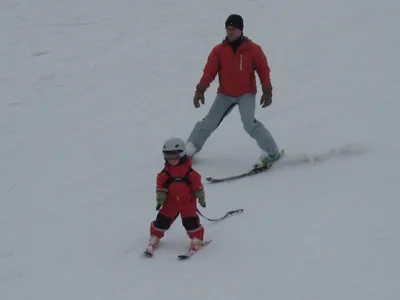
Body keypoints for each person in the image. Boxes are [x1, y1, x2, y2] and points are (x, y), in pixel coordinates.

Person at [185, 14, 281, 169]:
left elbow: (263, 70)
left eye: (233, 29)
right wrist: (200, 90)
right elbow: (209, 71)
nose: (230, 32)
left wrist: (267, 90)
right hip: (225, 94)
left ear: (241, 30)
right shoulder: (219, 51)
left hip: (246, 94)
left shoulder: (253, 49)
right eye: (228, 29)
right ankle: (190, 148)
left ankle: (272, 152)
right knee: (209, 122)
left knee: (249, 124)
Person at [146, 137, 206, 255]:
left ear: (182, 155)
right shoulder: (166, 172)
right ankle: (155, 236)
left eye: (174, 156)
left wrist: (200, 196)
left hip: (187, 204)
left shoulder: (190, 173)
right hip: (170, 203)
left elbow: (197, 184)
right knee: (162, 221)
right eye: (168, 157)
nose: (171, 160)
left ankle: (196, 239)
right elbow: (160, 182)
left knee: (191, 222)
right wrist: (160, 195)